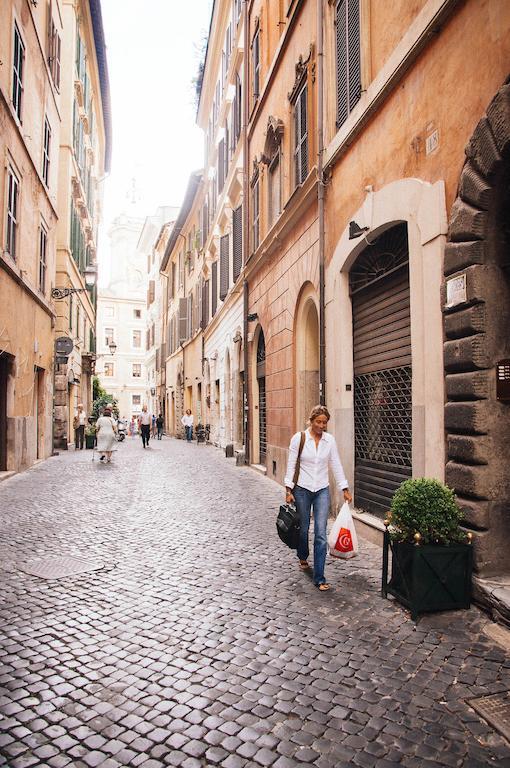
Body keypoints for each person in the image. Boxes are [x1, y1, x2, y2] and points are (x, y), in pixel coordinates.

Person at [284, 404, 352, 592]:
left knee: (321, 533)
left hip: (322, 489)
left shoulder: (329, 441)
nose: (322, 426)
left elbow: (336, 464)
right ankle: (303, 555)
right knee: (304, 528)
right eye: (318, 422)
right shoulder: (299, 438)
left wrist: (344, 488)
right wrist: (288, 489)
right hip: (302, 489)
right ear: (311, 421)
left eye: (324, 423)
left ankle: (319, 577)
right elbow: (291, 464)